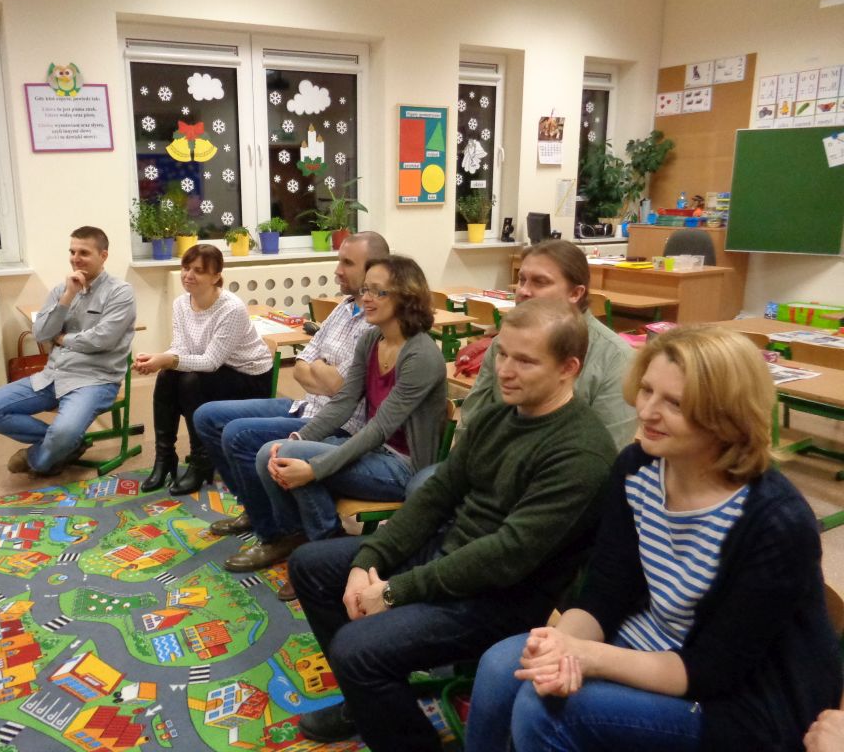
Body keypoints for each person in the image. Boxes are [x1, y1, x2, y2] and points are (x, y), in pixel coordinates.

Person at [465, 326, 843, 752]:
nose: (646, 411)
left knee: (544, 711)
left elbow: (710, 672)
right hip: (648, 647)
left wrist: (587, 657)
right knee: (500, 667)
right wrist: (560, 646)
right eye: (646, 390)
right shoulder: (638, 467)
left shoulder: (776, 521)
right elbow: (606, 591)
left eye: (675, 403)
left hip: (735, 701)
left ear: (725, 417)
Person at [288, 298, 618, 750]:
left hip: (500, 598)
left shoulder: (582, 452)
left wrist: (393, 591)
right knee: (310, 565)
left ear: (568, 369)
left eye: (525, 361)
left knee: (356, 650)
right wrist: (369, 558)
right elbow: (437, 496)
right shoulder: (501, 413)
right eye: (503, 354)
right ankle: (366, 700)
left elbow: (504, 555)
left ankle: (388, 711)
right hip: (451, 554)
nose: (505, 371)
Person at [223, 254, 446, 584]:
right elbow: (343, 402)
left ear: (406, 296)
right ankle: (305, 541)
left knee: (295, 462)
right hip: (373, 452)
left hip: (403, 466)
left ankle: (326, 552)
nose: (366, 298)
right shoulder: (372, 339)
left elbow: (379, 428)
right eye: (365, 289)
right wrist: (299, 437)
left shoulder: (421, 354)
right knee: (271, 453)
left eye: (378, 291)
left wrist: (314, 468)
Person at [194, 231, 389, 538]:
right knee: (207, 417)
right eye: (339, 261)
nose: (338, 270)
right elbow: (299, 366)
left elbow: (340, 387)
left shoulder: (376, 321)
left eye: (348, 263)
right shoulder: (343, 307)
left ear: (375, 270)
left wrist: (318, 367)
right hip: (306, 405)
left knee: (237, 434)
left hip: (337, 425)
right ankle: (257, 507)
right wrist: (321, 370)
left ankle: (276, 532)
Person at [0, 226, 135, 476]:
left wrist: (63, 339)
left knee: (64, 432)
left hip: (94, 381)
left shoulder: (120, 292)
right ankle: (68, 445)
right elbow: (40, 334)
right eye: (72, 252)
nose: (75, 258)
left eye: (84, 253)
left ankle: (37, 458)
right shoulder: (61, 290)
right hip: (53, 376)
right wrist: (68, 296)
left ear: (103, 256)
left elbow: (102, 340)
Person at [461, 239, 636, 447]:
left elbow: (609, 448)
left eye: (540, 282)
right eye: (522, 280)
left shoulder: (617, 358)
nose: (524, 291)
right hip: (493, 458)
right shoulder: (504, 343)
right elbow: (470, 423)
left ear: (575, 293)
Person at [134, 244, 273, 494]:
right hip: (215, 372)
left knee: (190, 382)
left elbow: (210, 362)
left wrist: (166, 359)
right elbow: (180, 347)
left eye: (198, 271)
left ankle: (202, 461)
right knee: (167, 376)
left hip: (250, 376)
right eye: (186, 268)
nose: (188, 275)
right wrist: (159, 359)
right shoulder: (181, 303)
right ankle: (165, 458)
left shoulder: (231, 308)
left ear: (216, 276)